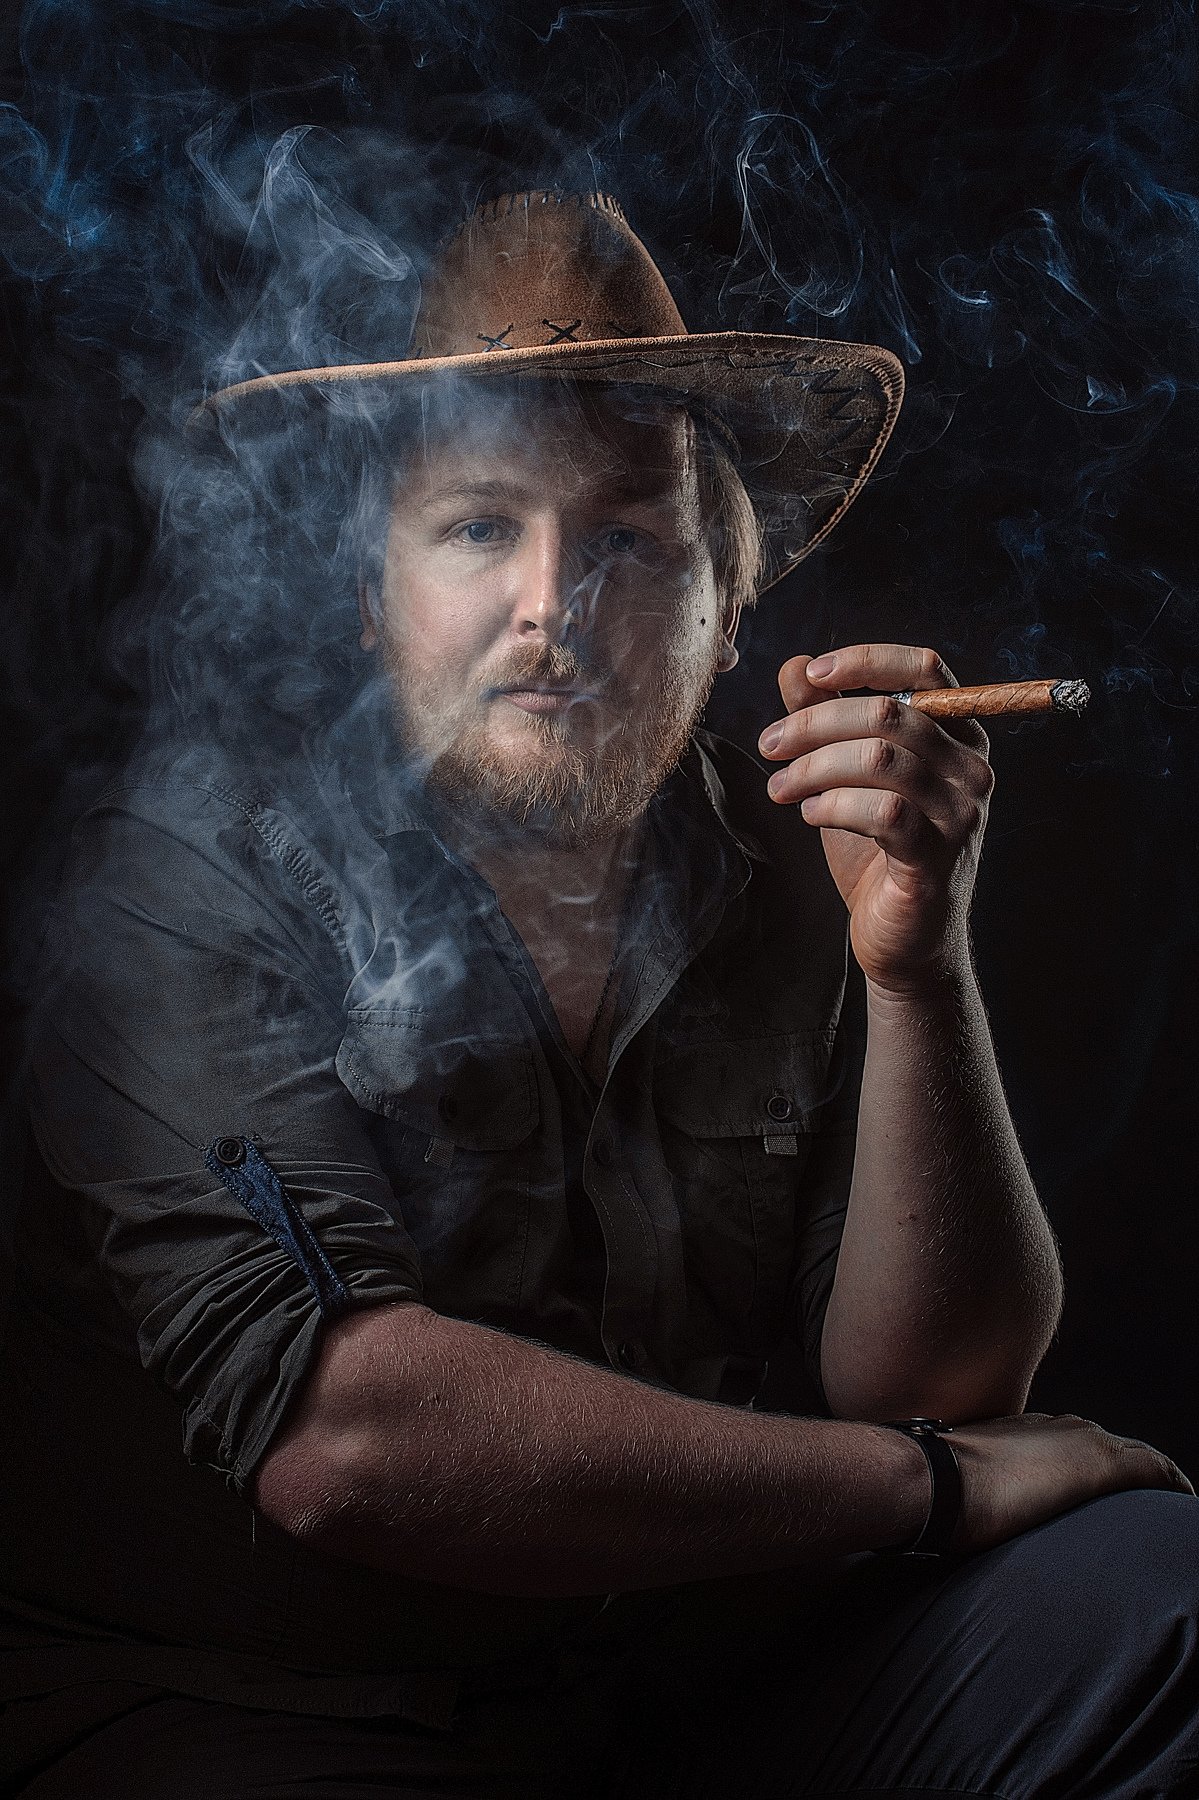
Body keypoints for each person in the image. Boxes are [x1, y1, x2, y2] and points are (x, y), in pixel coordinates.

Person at [2, 190, 1196, 1799]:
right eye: (478, 528)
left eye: (628, 539)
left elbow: (944, 1390)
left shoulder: (790, 865)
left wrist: (918, 967)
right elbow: (347, 1443)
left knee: (1153, 1595)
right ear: (373, 592)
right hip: (265, 1708)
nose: (550, 602)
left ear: (726, 605)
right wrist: (919, 1493)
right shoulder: (184, 881)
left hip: (676, 1688)